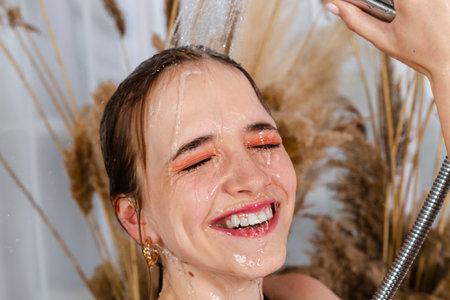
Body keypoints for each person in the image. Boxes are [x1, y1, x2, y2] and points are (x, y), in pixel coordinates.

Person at [100, 0, 450, 298]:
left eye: (263, 143)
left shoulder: (303, 293)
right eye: (199, 161)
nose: (252, 177)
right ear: (138, 218)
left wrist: (444, 64)